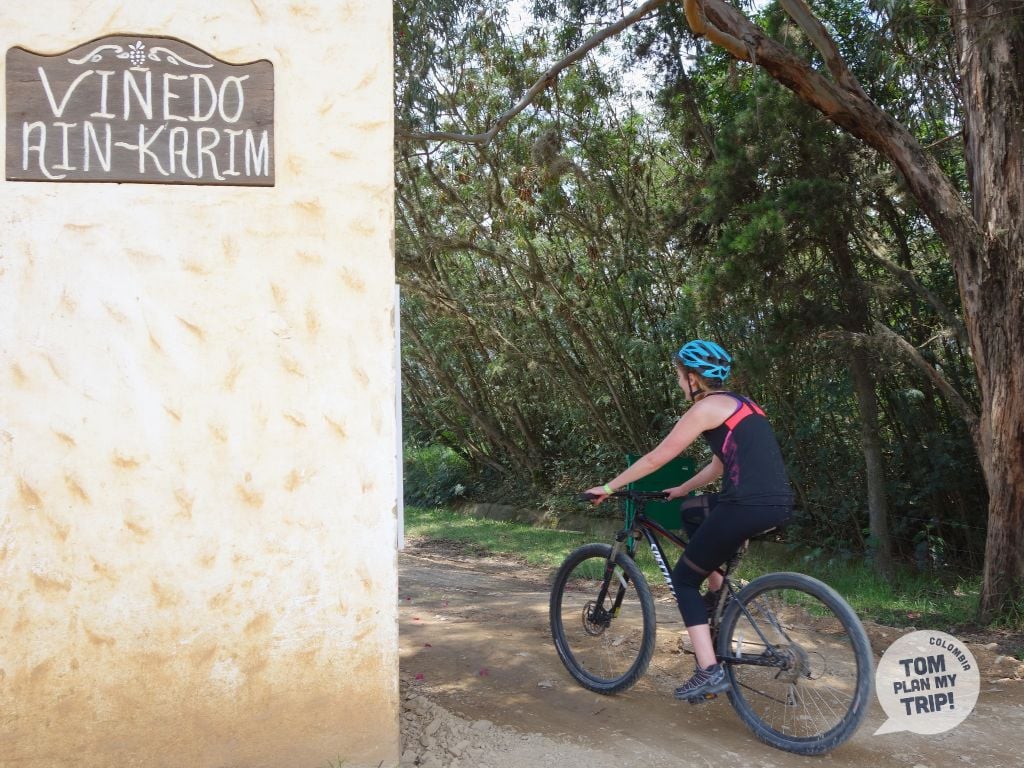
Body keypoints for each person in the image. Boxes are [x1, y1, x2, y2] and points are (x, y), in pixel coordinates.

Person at [584, 339, 794, 700]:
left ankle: (708, 671)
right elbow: (719, 464)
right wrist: (683, 488)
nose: (681, 383)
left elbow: (655, 458)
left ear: (694, 378)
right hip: (777, 504)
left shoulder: (705, 408)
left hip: (742, 505)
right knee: (691, 511)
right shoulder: (747, 407)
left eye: (681, 377)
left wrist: (608, 485)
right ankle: (717, 593)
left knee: (682, 581)